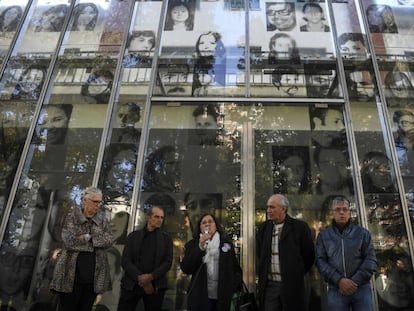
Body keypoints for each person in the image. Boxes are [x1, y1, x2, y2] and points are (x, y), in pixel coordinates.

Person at [50, 186, 114, 311]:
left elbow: (109, 240)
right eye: (95, 202)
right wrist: (96, 240)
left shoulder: (102, 220)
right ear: (85, 201)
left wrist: (86, 238)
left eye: (100, 202)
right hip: (70, 276)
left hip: (93, 278)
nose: (98, 205)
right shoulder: (72, 217)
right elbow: (69, 241)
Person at [315, 196, 377, 311]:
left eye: (345, 209)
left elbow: (371, 260)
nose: (341, 212)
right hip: (336, 289)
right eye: (337, 209)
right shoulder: (324, 236)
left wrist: (354, 281)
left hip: (361, 288)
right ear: (332, 213)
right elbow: (320, 261)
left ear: (349, 212)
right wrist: (339, 280)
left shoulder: (362, 234)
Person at [256, 194, 315, 311]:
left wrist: (297, 273)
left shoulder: (299, 227)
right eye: (268, 207)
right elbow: (260, 253)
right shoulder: (264, 228)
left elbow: (309, 255)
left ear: (283, 208)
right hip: (270, 286)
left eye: (272, 207)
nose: (268, 210)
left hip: (292, 285)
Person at [180, 213, 242, 311]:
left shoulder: (226, 244)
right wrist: (200, 247)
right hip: (200, 296)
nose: (207, 224)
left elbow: (235, 269)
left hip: (222, 296)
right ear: (200, 227)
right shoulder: (192, 245)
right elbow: (186, 268)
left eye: (210, 222)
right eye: (204, 223)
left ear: (216, 226)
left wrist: (232, 288)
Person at [117, 205, 173, 311]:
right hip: (131, 285)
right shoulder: (133, 236)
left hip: (155, 286)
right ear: (148, 218)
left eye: (161, 217)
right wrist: (142, 279)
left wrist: (151, 277)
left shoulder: (166, 239)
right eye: (156, 217)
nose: (159, 220)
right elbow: (126, 260)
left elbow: (168, 262)